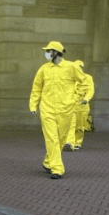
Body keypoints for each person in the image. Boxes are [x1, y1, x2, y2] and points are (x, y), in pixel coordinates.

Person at [29, 41, 87, 179]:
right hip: (47, 108)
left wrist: (76, 97)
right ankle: (57, 168)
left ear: (56, 52)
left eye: (49, 51)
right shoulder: (43, 69)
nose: (47, 53)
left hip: (65, 109)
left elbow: (84, 82)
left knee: (60, 138)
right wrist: (33, 105)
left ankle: (48, 161)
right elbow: (36, 87)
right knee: (51, 138)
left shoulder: (71, 67)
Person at [64, 60, 95, 151]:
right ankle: (69, 142)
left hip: (82, 106)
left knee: (80, 126)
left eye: (80, 67)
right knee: (70, 124)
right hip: (72, 105)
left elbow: (90, 90)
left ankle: (78, 142)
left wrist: (86, 99)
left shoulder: (88, 78)